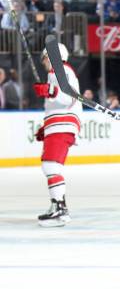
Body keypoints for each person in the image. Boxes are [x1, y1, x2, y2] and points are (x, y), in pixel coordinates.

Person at [33, 43, 82, 227]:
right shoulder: (56, 72)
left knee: (51, 166)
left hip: (63, 124)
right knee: (50, 166)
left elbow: (67, 97)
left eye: (45, 57)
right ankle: (58, 206)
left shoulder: (61, 70)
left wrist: (48, 90)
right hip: (59, 125)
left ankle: (60, 209)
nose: (43, 62)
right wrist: (46, 128)